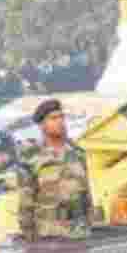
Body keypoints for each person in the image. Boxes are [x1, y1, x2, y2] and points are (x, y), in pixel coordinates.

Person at [16, 98, 92, 241]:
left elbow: (86, 194)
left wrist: (89, 221)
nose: (60, 122)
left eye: (62, 117)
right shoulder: (31, 158)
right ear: (42, 125)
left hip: (80, 232)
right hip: (48, 235)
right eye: (53, 118)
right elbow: (26, 202)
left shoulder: (77, 153)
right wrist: (30, 237)